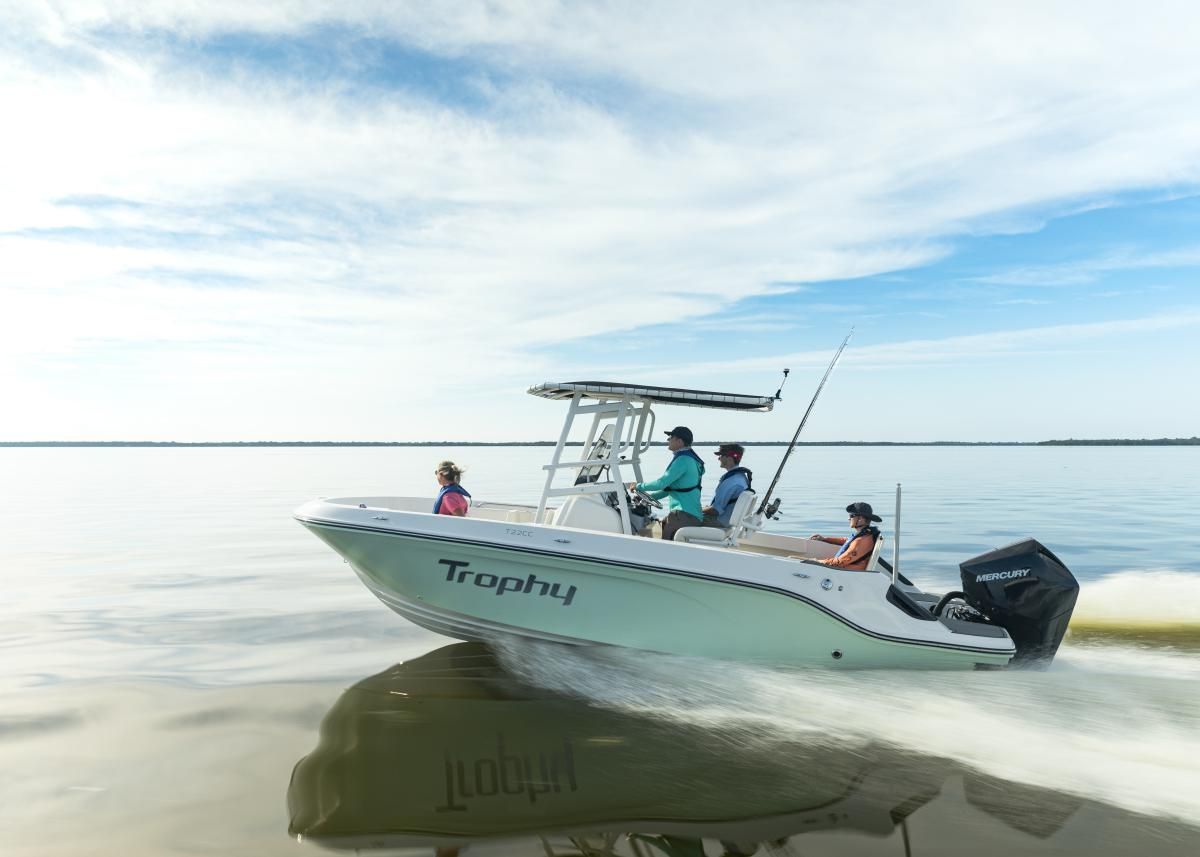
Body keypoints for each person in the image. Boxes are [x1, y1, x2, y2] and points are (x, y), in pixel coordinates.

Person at [628, 426, 705, 540]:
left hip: (684, 515)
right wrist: (647, 498)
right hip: (692, 515)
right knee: (662, 524)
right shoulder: (690, 459)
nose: (668, 440)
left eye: (671, 437)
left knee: (664, 540)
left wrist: (638, 486)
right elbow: (667, 490)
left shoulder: (683, 460)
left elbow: (661, 483)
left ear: (679, 441)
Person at [810, 502, 882, 570]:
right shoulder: (866, 534)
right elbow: (848, 541)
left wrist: (816, 562)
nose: (848, 519)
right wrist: (825, 539)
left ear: (860, 519)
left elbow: (838, 563)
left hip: (847, 574)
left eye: (851, 516)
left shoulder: (860, 541)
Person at [702, 443, 752, 528]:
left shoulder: (731, 481)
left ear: (729, 458)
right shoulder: (741, 477)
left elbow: (716, 510)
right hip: (728, 521)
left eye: (721, 456)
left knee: (679, 517)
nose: (718, 458)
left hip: (719, 521)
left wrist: (699, 510)